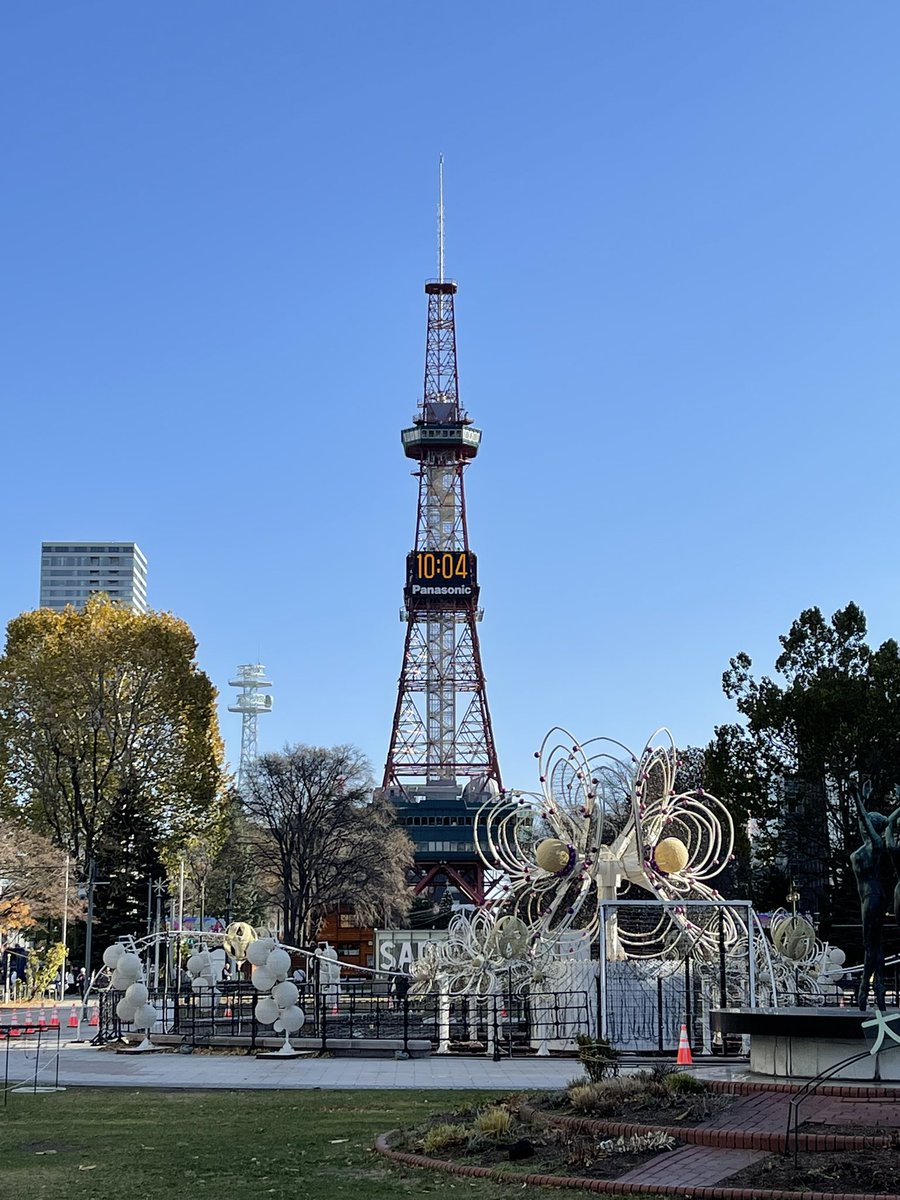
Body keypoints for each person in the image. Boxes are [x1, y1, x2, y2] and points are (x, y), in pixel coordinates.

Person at [849, 777, 888, 1011]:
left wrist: (856, 797)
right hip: (869, 897)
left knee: (869, 946)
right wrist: (862, 798)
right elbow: (861, 819)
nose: (863, 825)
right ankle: (879, 991)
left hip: (873, 897)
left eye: (867, 823)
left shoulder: (876, 846)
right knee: (876, 947)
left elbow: (863, 818)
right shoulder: (867, 846)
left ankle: (865, 989)